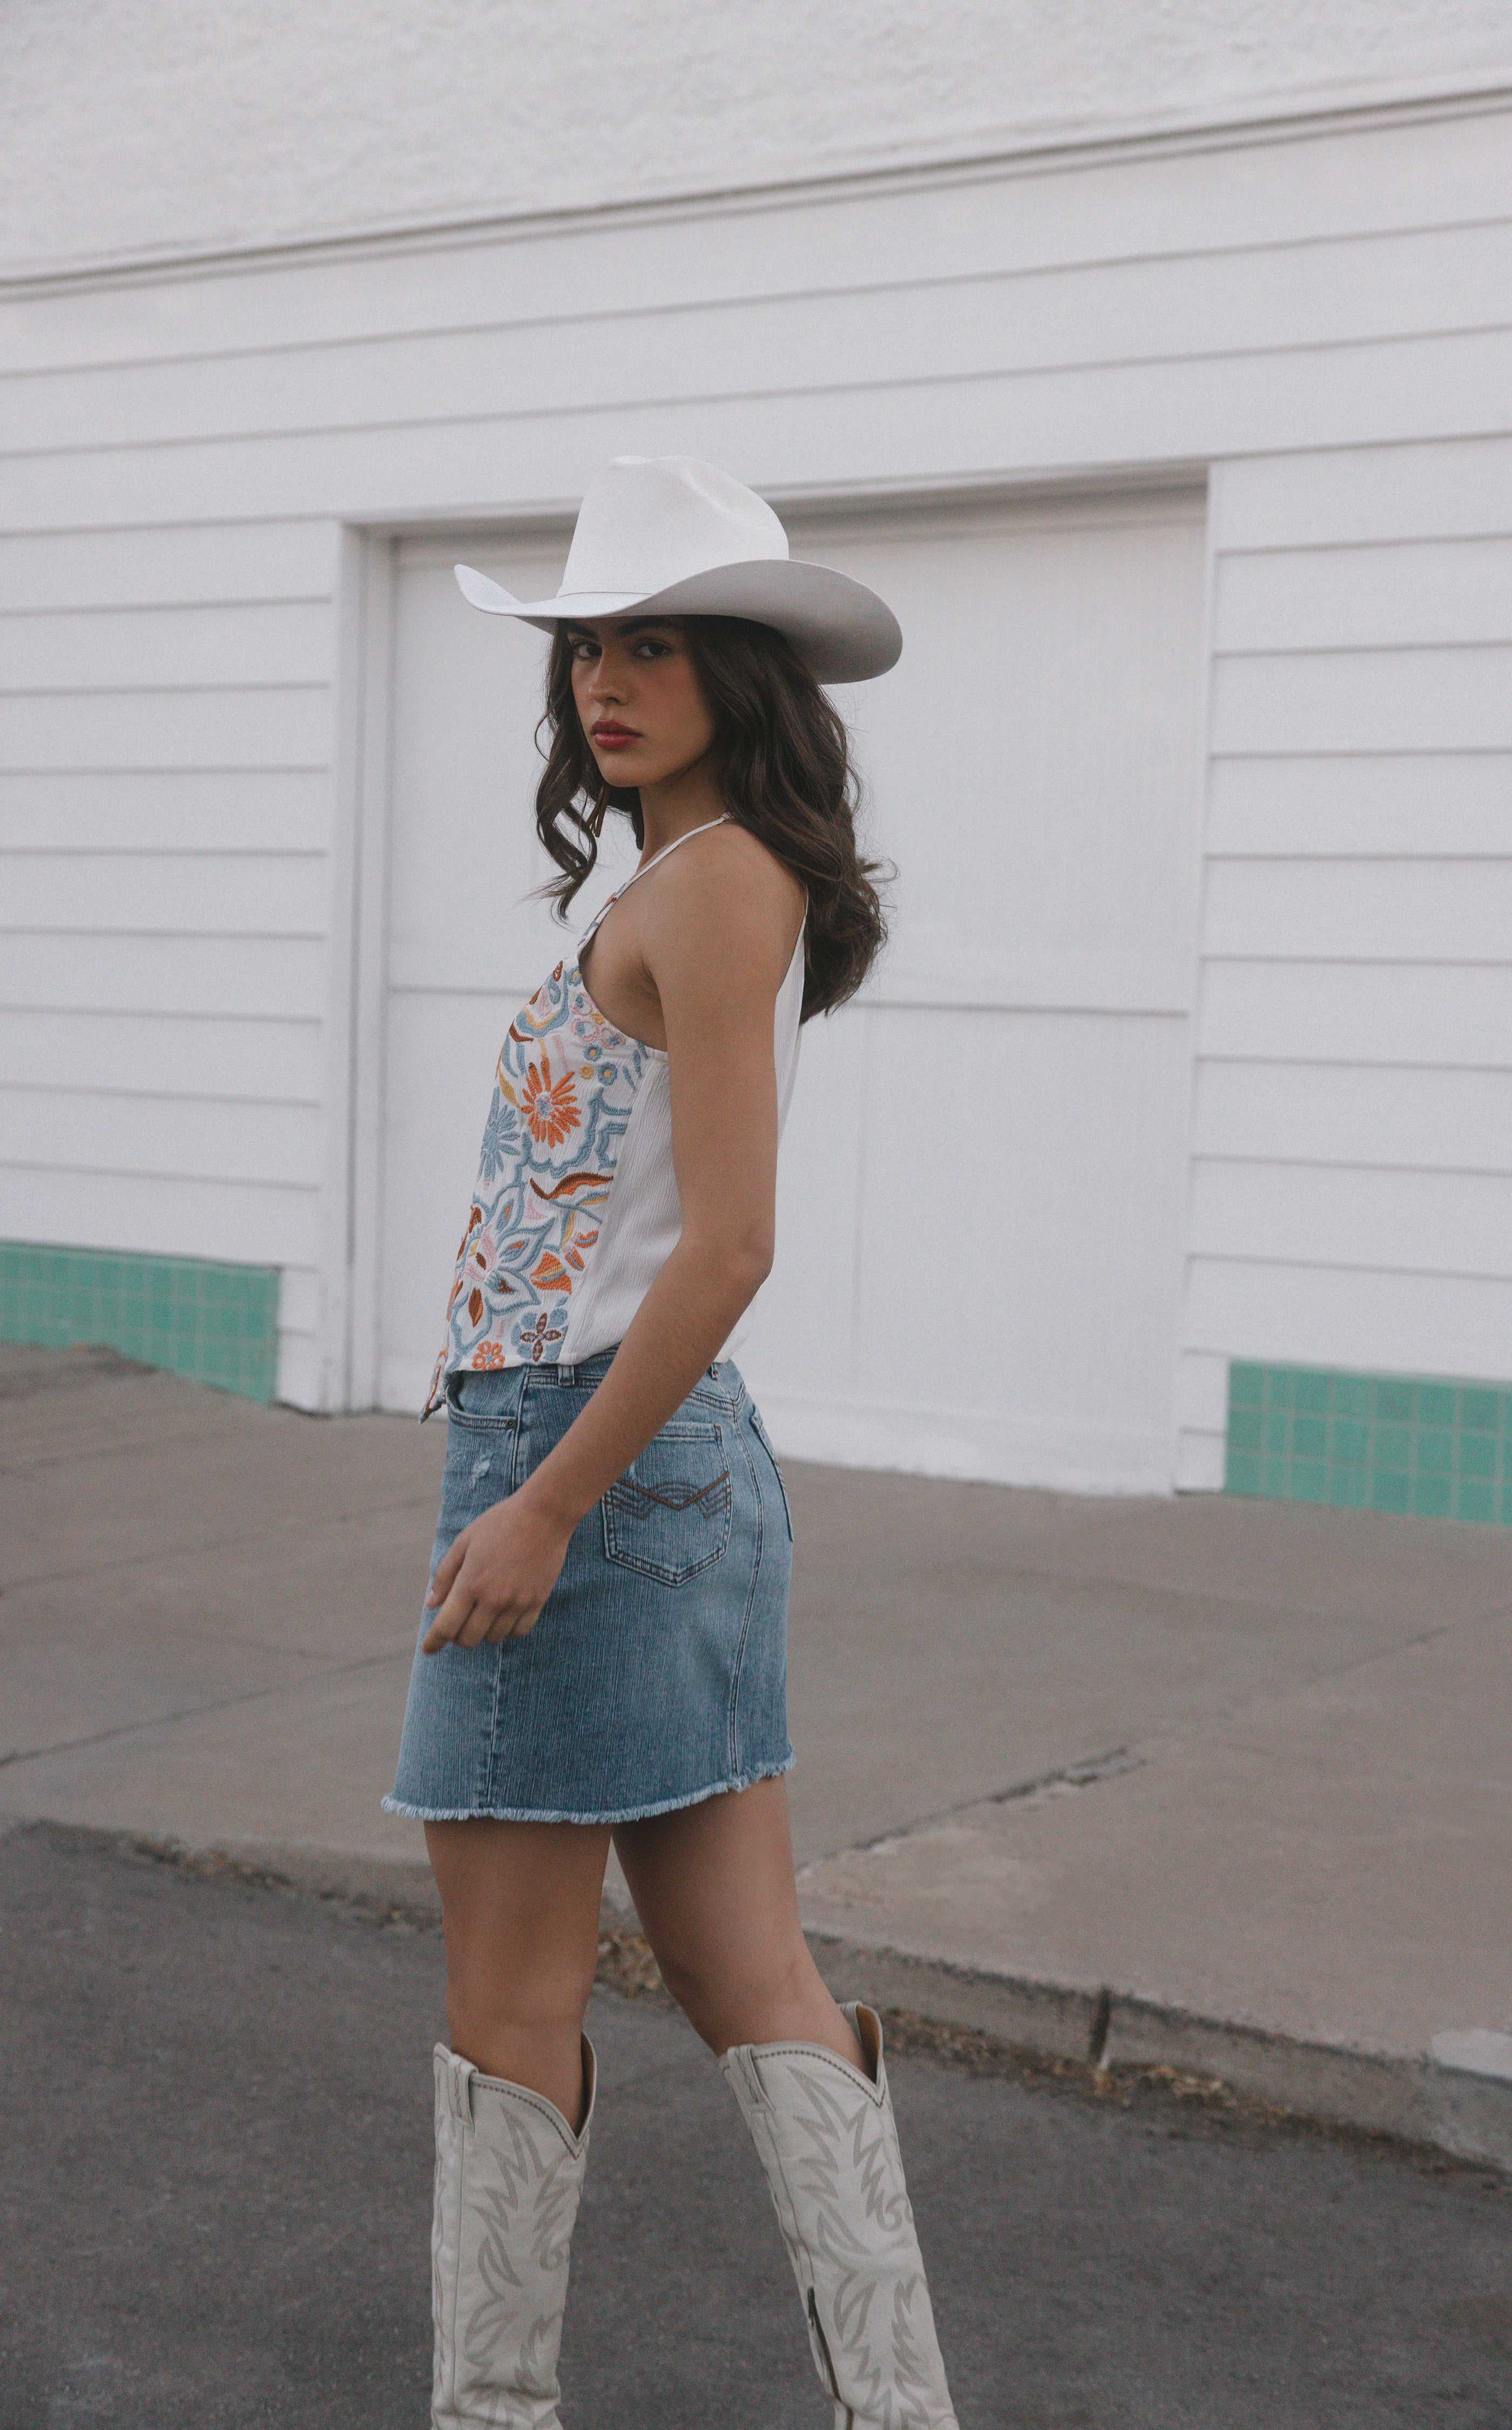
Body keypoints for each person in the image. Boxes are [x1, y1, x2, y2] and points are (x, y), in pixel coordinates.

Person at [384, 455, 961, 2430]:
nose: (608, 683)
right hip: (672, 1468)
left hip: (593, 1463)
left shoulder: (714, 885)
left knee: (507, 2004)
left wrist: (542, 1498)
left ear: (743, 669)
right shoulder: (693, 876)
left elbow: (730, 1241)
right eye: (588, 649)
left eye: (655, 643)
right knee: (754, 1982)